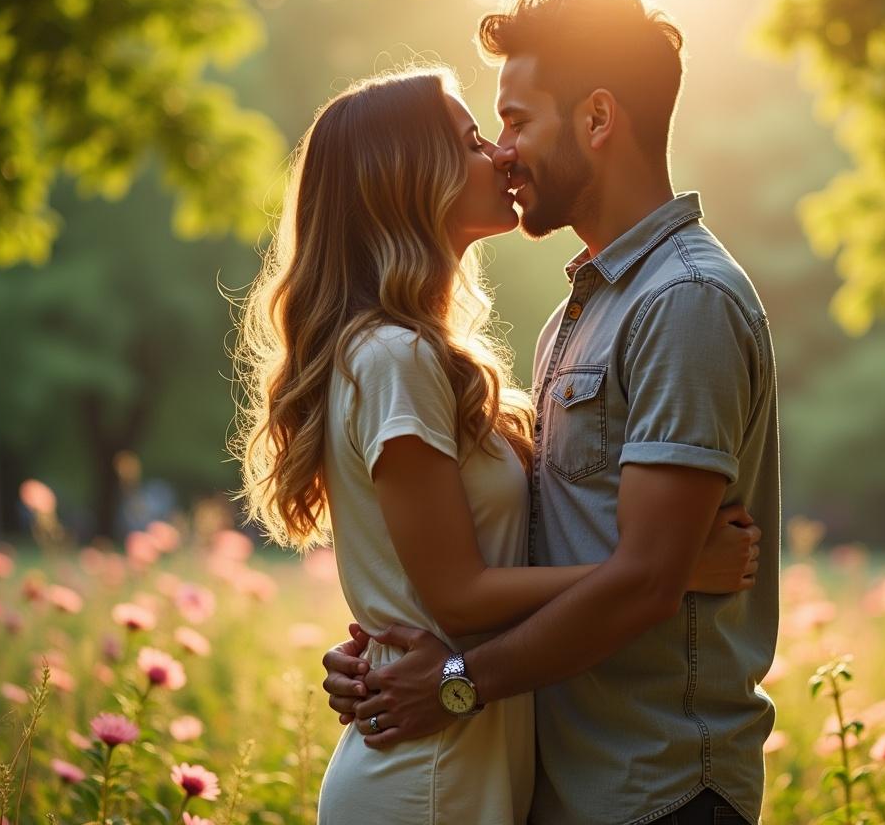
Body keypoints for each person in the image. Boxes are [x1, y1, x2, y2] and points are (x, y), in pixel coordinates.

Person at [232, 66, 762, 824]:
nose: (502, 154)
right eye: (474, 137)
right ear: (409, 176)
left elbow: (443, 580)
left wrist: (392, 652)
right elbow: (457, 592)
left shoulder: (441, 351)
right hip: (431, 777)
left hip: (478, 761)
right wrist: (666, 572)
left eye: (507, 127)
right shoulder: (396, 356)